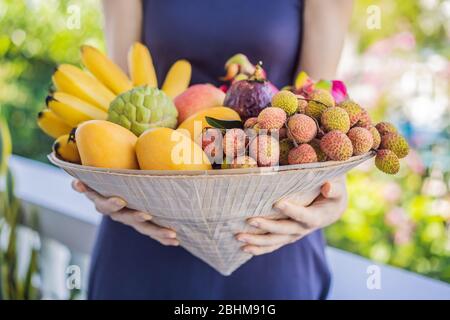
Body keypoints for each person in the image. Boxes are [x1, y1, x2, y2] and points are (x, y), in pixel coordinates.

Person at [72, 0, 353, 299]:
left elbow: (316, 105)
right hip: (151, 224)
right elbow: (120, 103)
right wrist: (105, 182)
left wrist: (333, 191)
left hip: (269, 233)